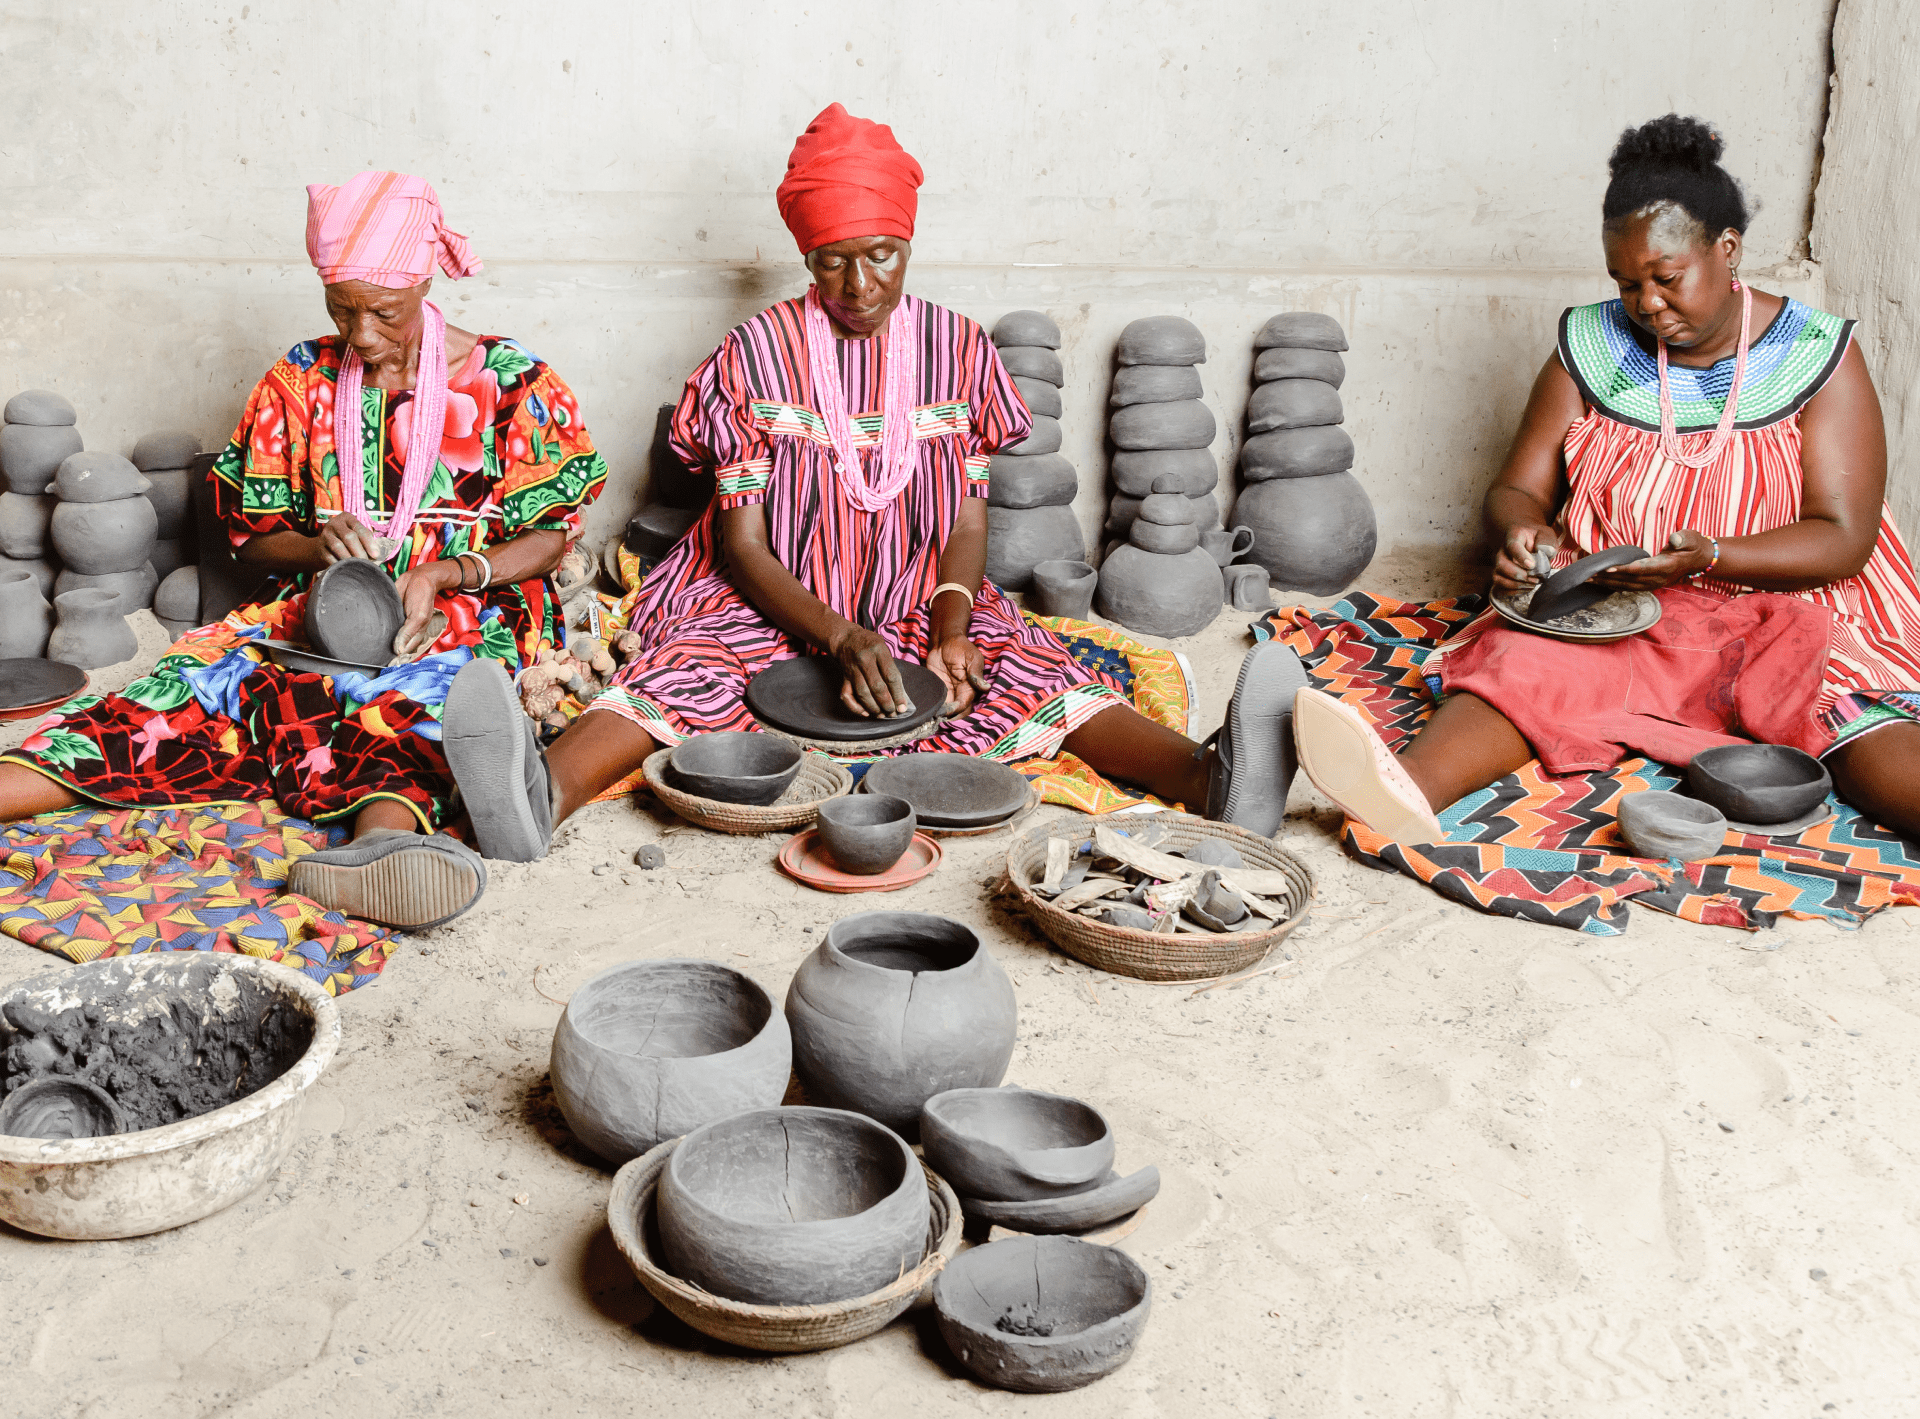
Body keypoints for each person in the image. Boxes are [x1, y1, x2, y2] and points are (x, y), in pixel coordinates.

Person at [441, 103, 1302, 858]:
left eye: (883, 256)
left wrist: (952, 624)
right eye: (830, 263)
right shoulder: (758, 354)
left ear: (910, 241)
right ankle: (537, 794)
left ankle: (1205, 774)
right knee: (684, 669)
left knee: (1027, 666)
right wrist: (837, 636)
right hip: (771, 597)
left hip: (912, 595)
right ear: (806, 259)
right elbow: (740, 546)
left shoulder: (958, 350)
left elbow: (968, 521)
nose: (859, 286)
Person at [0, 171, 608, 927]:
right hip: (328, 609)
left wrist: (450, 570)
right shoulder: (300, 378)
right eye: (340, 308)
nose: (360, 334)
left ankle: (377, 852)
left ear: (423, 281)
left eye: (382, 312)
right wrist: (316, 544)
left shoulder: (514, 382)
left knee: (421, 696)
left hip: (472, 603)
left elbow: (554, 536)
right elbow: (251, 538)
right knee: (201, 682)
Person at [1293, 115, 1920, 845]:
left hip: (1783, 607)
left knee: (1839, 709)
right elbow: (1516, 488)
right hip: (1622, 610)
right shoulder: (1588, 346)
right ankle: (1398, 793)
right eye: (1627, 284)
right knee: (1521, 664)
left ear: (1728, 248)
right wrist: (1524, 529)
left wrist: (1712, 557)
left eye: (1667, 277)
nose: (1647, 304)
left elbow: (1843, 540)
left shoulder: (1819, 355)